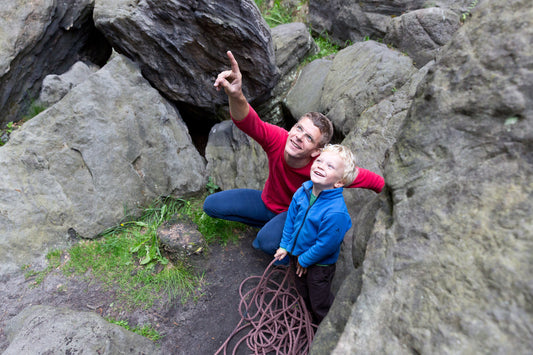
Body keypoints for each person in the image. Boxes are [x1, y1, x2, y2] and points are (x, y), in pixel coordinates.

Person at [203, 50, 384, 260]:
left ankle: (295, 257)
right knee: (212, 205)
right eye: (298, 129)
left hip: (295, 215)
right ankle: (271, 227)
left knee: (264, 242)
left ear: (317, 150)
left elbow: (372, 180)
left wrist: (395, 199)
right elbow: (248, 122)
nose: (298, 137)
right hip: (266, 202)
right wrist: (236, 95)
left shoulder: (323, 166)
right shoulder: (278, 139)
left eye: (308, 137)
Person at [273, 144, 357, 324]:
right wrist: (285, 246)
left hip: (319, 265)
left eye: (330, 166)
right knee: (301, 289)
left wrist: (305, 260)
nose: (320, 165)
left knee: (319, 299)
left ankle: (326, 327)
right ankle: (306, 318)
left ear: (339, 182)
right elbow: (291, 221)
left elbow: (326, 245)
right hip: (298, 254)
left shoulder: (335, 212)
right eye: (319, 161)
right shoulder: (302, 191)